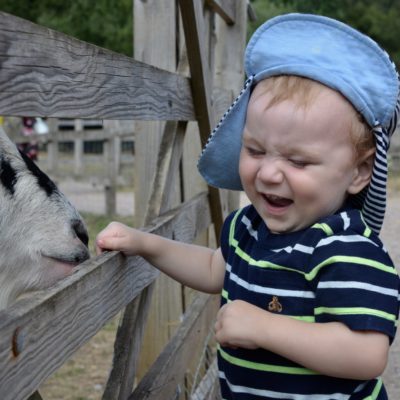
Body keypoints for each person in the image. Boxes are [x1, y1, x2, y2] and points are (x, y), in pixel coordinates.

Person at [96, 14, 400, 399]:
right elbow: (213, 268)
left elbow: (366, 353)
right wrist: (147, 245)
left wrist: (263, 327)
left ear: (358, 172)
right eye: (254, 150)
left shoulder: (346, 248)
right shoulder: (249, 227)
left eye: (298, 161)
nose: (269, 173)